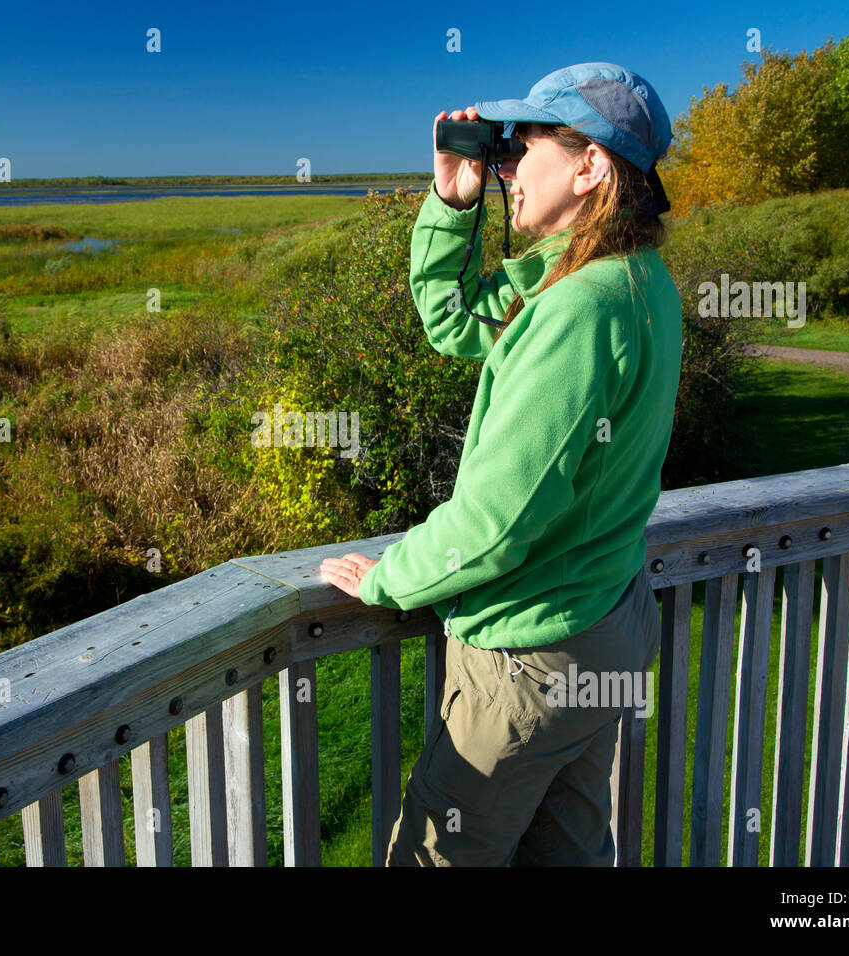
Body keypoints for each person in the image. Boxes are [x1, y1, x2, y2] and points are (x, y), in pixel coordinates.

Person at [319, 62, 683, 866]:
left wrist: (387, 579)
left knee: (435, 854)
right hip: (604, 626)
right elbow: (455, 320)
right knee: (570, 850)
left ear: (590, 167)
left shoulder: (579, 309)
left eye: (525, 148)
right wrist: (453, 205)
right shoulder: (627, 278)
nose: (505, 167)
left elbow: (495, 524)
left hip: (531, 661)